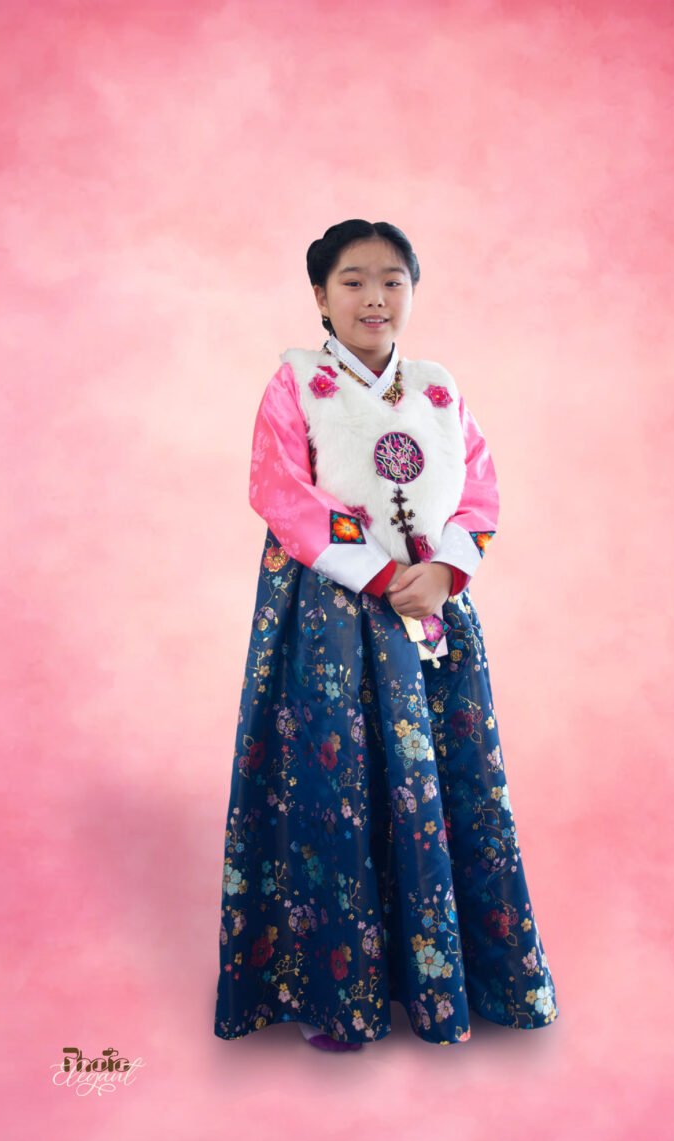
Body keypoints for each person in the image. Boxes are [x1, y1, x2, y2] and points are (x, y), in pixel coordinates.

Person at [213, 219, 559, 1052]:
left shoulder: (439, 389)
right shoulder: (296, 381)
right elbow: (279, 489)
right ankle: (341, 994)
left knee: (447, 786)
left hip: (431, 614)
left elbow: (480, 490)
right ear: (321, 298)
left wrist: (443, 570)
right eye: (354, 281)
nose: (375, 297)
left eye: (392, 280)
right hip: (329, 621)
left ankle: (459, 979)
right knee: (335, 786)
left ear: (411, 289)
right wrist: (372, 571)